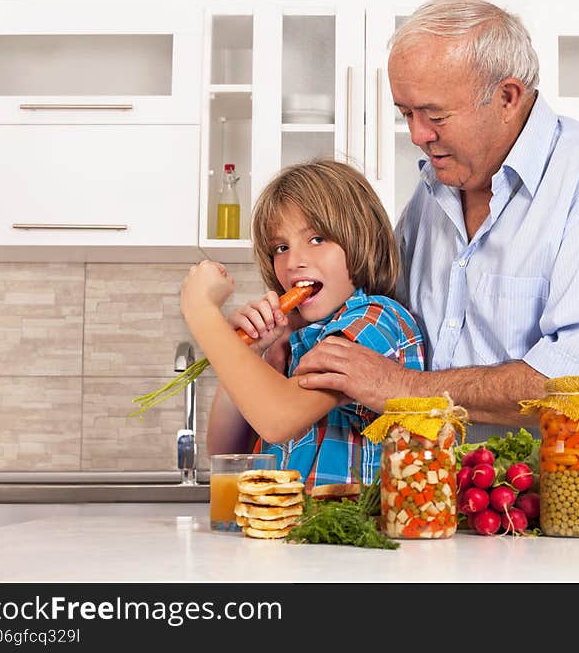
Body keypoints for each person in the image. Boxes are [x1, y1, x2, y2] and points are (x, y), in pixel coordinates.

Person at [291, 0, 579, 514]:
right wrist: (291, 323)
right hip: (484, 515)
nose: (417, 135)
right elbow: (382, 318)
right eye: (406, 114)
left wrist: (403, 388)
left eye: (434, 114)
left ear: (508, 96)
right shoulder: (432, 195)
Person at [180, 159, 425, 490]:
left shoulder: (375, 320)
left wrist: (203, 313)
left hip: (346, 536)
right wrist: (247, 353)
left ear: (361, 239)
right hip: (297, 532)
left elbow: (278, 419)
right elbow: (226, 451)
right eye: (281, 248)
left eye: (317, 239)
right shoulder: (296, 340)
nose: (294, 262)